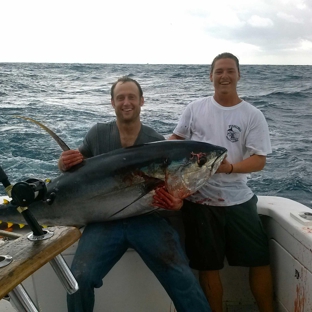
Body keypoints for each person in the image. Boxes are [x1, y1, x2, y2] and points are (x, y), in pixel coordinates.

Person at [58, 76, 211, 312]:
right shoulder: (97, 134)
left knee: (182, 277)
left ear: (142, 101)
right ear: (112, 103)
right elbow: (77, 173)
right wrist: (64, 164)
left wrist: (176, 204)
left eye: (131, 97)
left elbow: (174, 186)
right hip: (104, 221)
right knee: (79, 279)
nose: (126, 102)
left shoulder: (155, 141)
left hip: (146, 219)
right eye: (120, 97)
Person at [153, 53, 274, 312]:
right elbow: (176, 139)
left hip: (238, 199)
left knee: (260, 261)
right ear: (211, 76)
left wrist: (229, 168)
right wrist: (145, 151)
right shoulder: (195, 108)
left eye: (230, 70)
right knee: (208, 268)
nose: (224, 76)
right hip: (199, 200)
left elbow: (259, 160)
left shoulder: (252, 115)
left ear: (239, 75)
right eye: (219, 71)